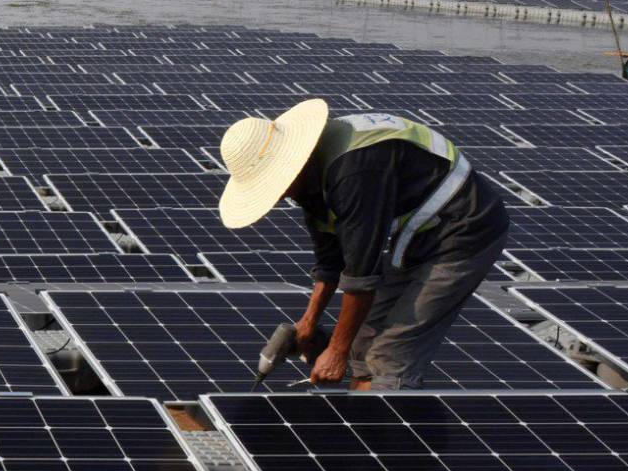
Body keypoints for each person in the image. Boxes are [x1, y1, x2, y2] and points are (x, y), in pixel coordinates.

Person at [218, 99, 510, 389]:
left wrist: (335, 351)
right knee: (361, 343)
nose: (279, 196)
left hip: (467, 228)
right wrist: (308, 322)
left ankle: (385, 426)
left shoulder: (353, 174)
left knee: (390, 356)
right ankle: (364, 412)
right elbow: (331, 261)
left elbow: (361, 276)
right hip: (421, 234)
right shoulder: (314, 175)